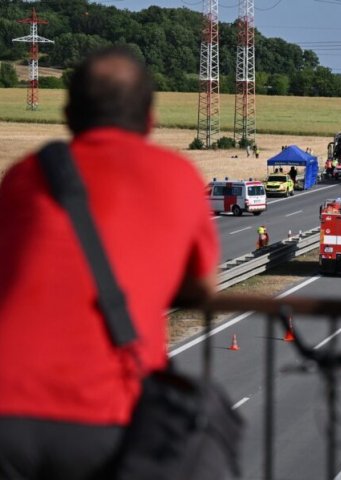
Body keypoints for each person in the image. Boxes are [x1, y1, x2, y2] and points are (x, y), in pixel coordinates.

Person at [0, 46, 219, 479]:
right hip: (104, 412)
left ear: (68, 114)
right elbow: (203, 287)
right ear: (150, 119)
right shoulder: (176, 175)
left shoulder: (25, 175)